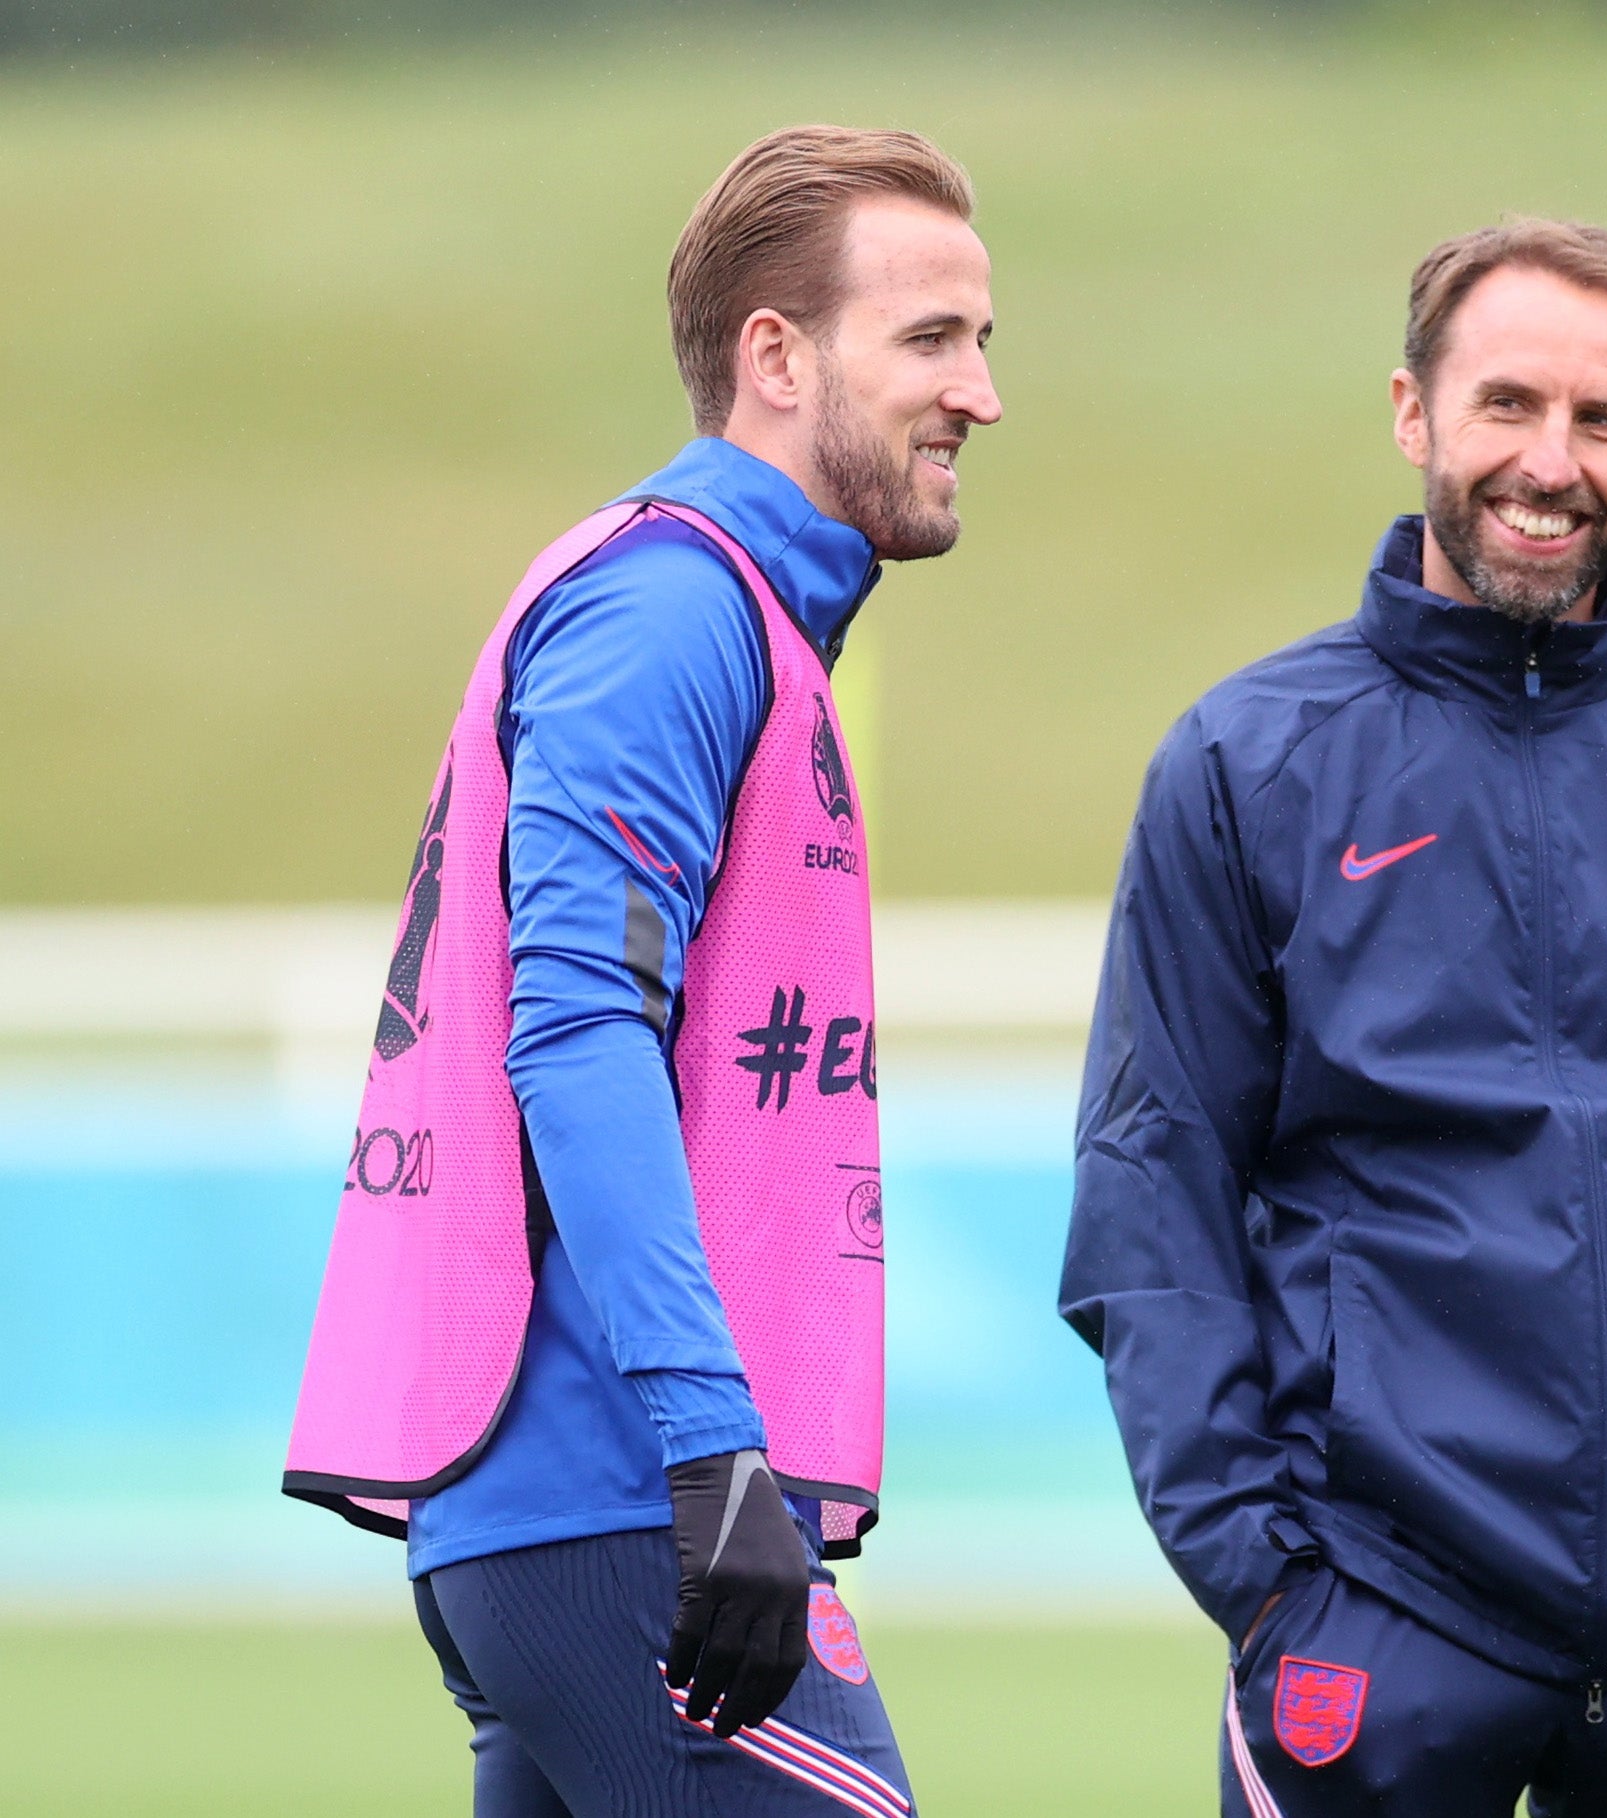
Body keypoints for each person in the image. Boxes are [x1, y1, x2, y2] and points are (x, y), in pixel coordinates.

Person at [1061, 218, 1607, 1818]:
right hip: (1378, 1614)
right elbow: (1151, 1203)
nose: (1552, 461)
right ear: (1413, 413)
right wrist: (1266, 1578)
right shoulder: (1250, 761)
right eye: (1508, 405)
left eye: (1601, 421)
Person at [286, 125, 1000, 1817]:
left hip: (576, 1506)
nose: (980, 392)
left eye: (984, 341)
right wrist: (710, 1445)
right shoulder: (675, 609)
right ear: (774, 357)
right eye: (932, 339)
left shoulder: (730, 606)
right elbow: (580, 1027)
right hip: (616, 1490)